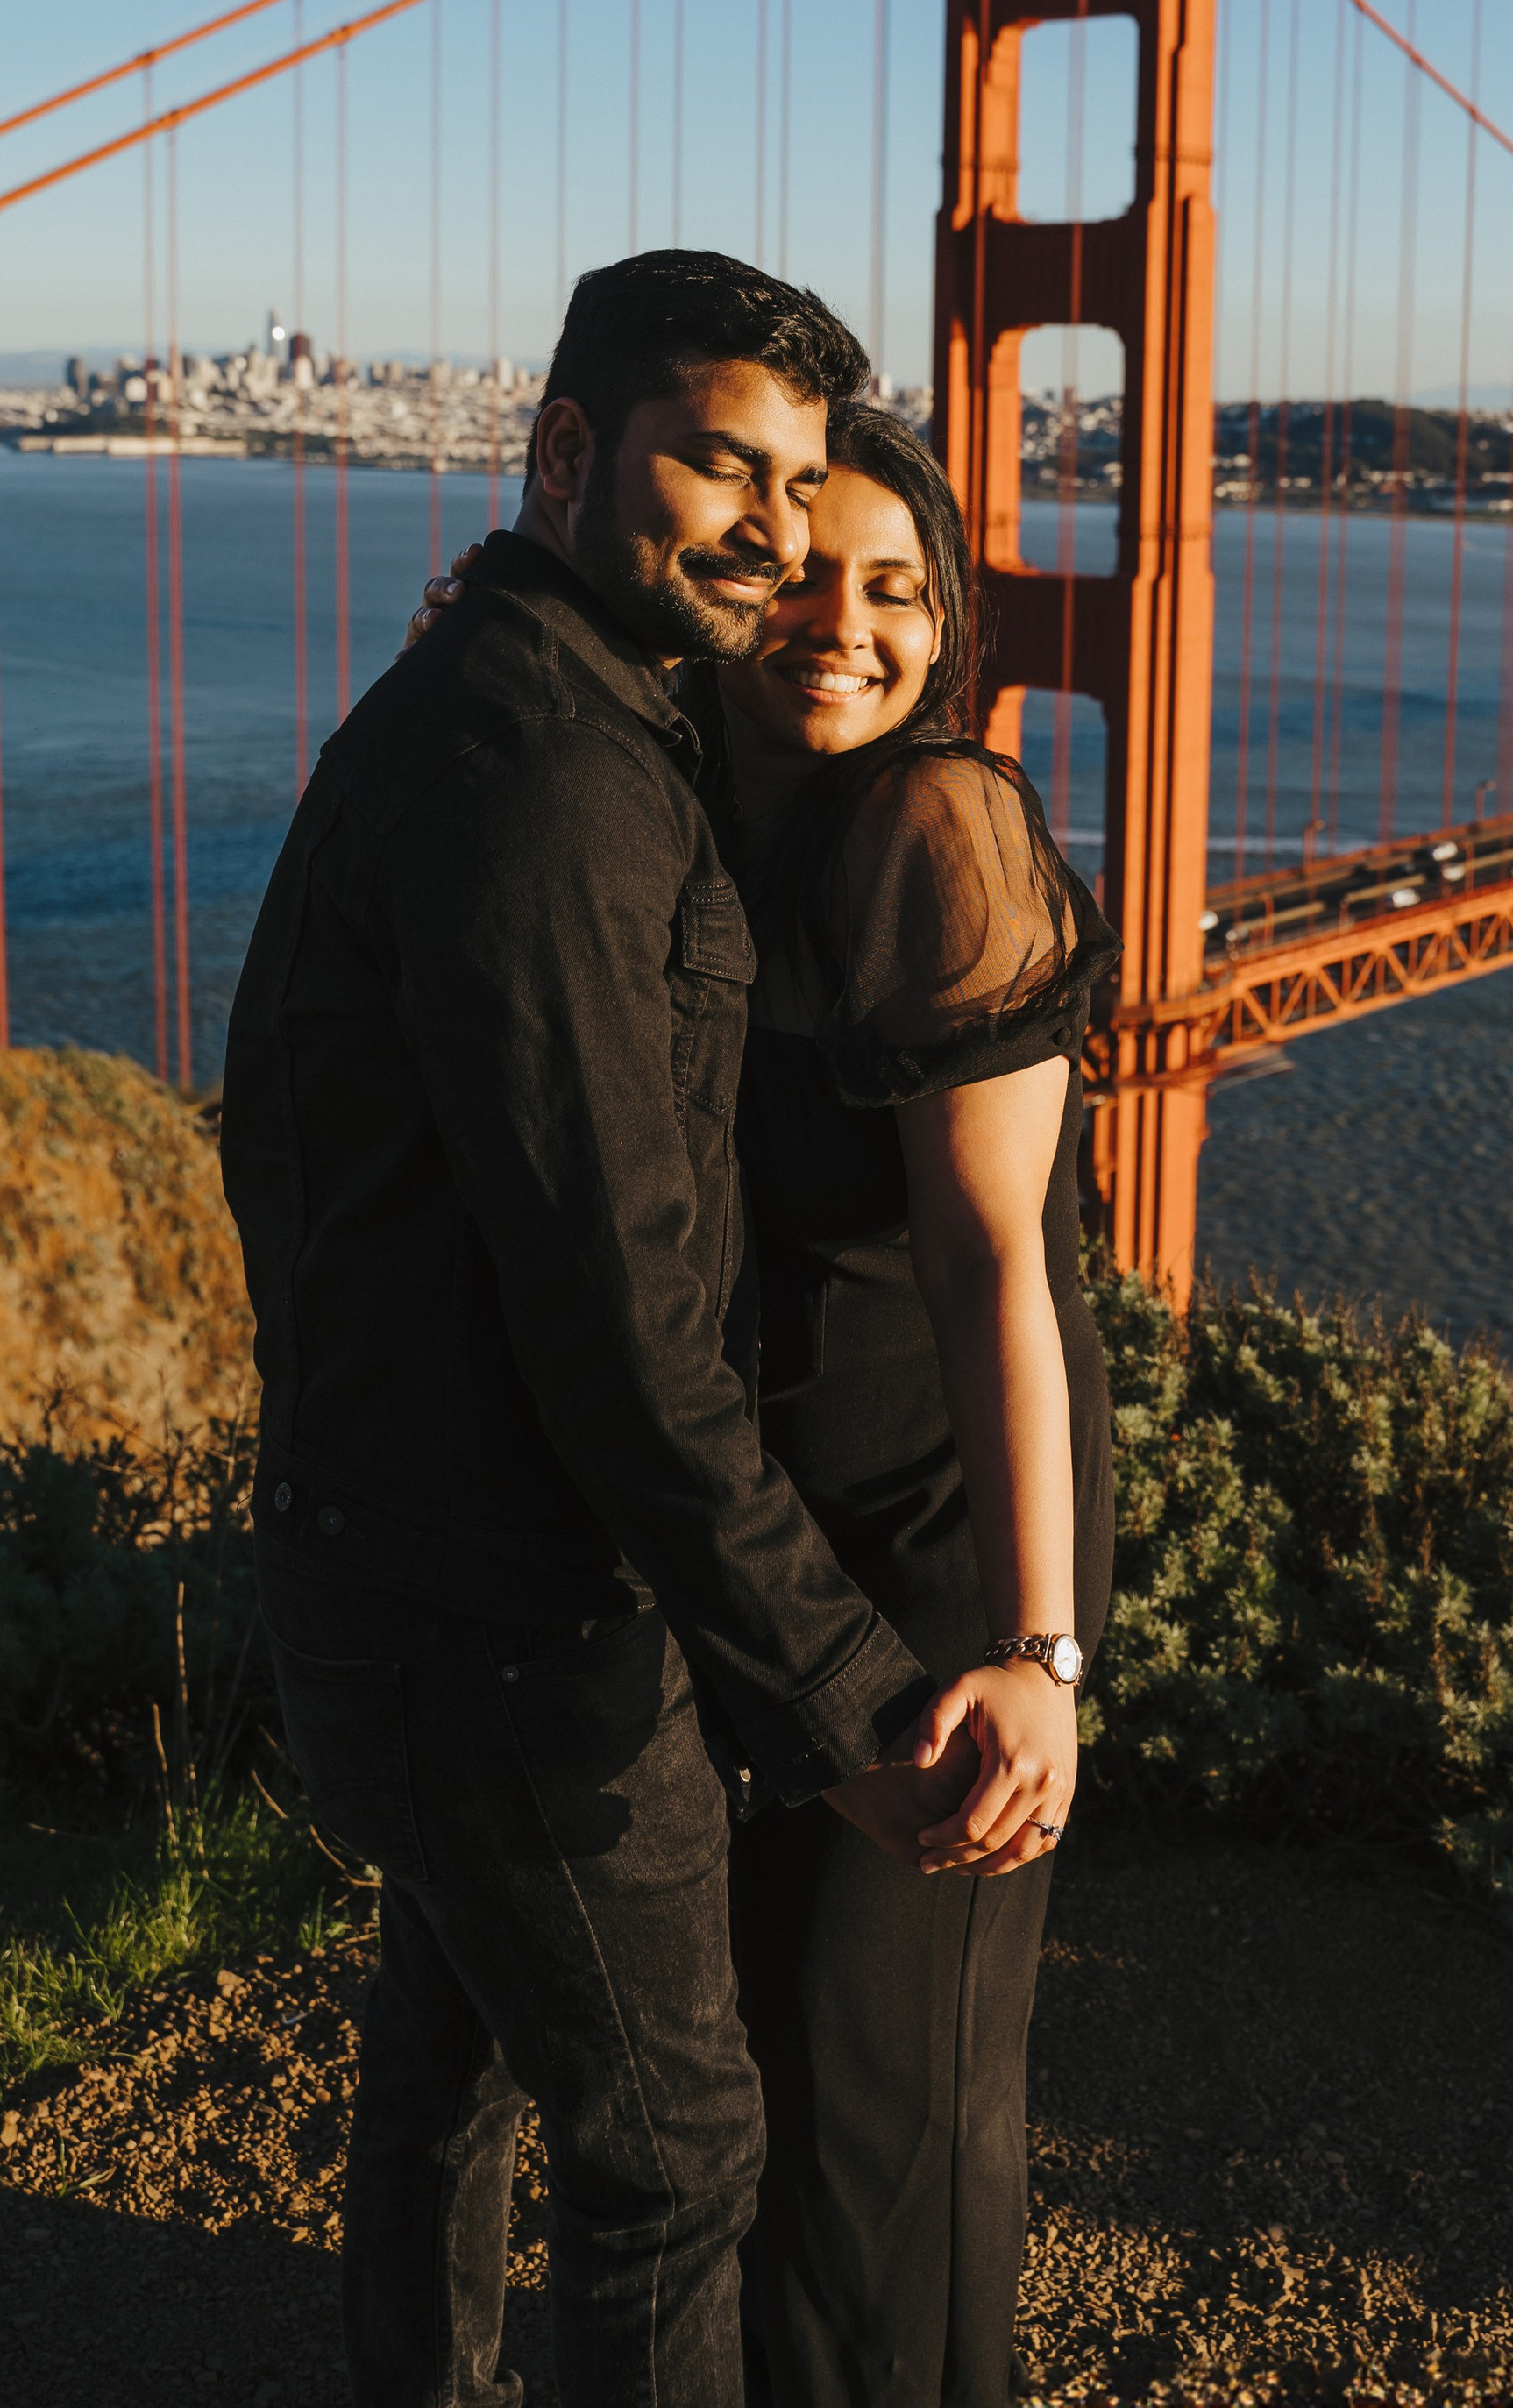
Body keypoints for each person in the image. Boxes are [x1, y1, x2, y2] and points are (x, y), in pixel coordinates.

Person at [223, 252, 1041, 2408]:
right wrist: (861, 1703)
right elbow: (619, 1321)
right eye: (721, 464)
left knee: (452, 2073)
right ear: (569, 452)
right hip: (515, 1620)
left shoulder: (549, 706)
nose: (774, 536)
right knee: (674, 2150)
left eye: (801, 483)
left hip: (393, 1562)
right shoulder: (551, 774)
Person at [412, 400, 1116, 2408]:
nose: (846, 629)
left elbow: (1000, 1269)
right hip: (748, 1542)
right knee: (735, 2088)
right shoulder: (675, 796)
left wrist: (1035, 1648)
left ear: (950, 627)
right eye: (806, 577)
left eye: (899, 593)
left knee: (876, 2099)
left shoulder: (938, 831)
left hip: (936, 1531)